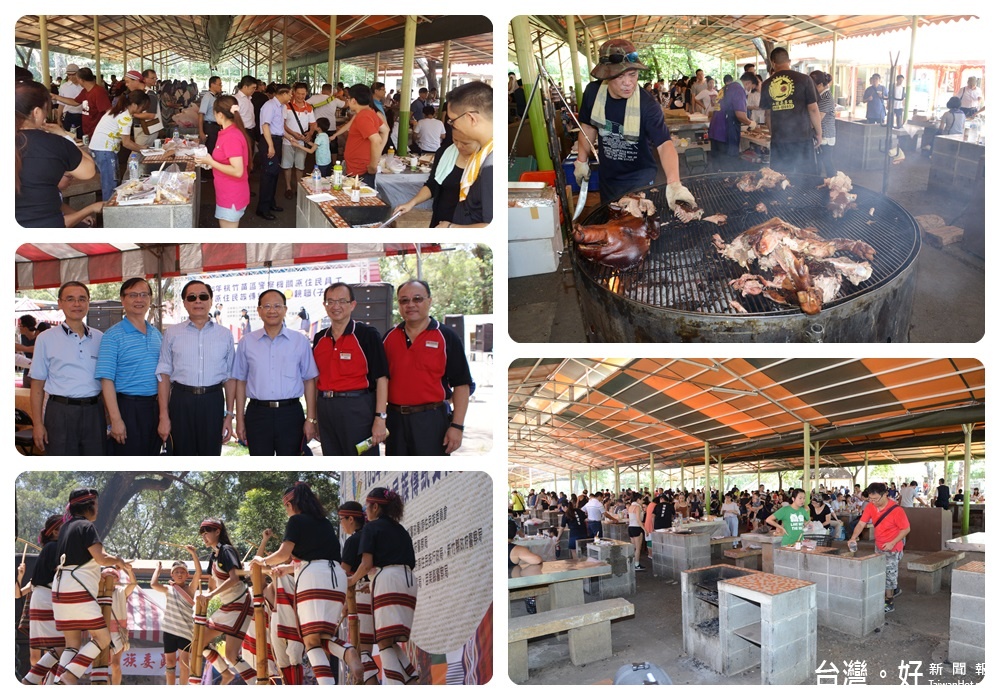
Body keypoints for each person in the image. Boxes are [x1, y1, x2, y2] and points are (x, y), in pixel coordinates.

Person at [253, 483, 364, 685]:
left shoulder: (296, 521)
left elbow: (284, 554)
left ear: (290, 504)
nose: (287, 512)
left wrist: (262, 562)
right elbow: (310, 557)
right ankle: (348, 652)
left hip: (313, 579)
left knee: (310, 641)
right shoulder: (324, 523)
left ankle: (330, 681)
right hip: (335, 578)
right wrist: (286, 569)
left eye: (286, 507)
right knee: (322, 637)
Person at [575, 39, 696, 215]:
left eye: (632, 74)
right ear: (607, 75)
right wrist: (581, 160)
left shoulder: (647, 104)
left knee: (640, 230)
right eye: (619, 76)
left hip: (640, 179)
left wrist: (675, 183)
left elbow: (664, 144)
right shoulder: (593, 93)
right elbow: (588, 128)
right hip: (609, 178)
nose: (628, 83)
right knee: (612, 226)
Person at [382, 280, 474, 456]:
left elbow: (462, 385)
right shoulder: (388, 338)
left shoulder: (446, 336)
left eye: (417, 299)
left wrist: (457, 426)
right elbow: (380, 382)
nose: (411, 305)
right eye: (404, 300)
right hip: (395, 421)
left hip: (432, 420)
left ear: (429, 301)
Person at [51, 488, 131, 685]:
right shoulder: (85, 526)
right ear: (89, 506)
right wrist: (118, 561)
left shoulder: (64, 529)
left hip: (59, 590)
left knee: (71, 645)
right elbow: (101, 558)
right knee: (103, 639)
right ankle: (69, 677)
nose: (98, 508)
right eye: (96, 504)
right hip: (78, 589)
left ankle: (57, 684)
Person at [233, 289, 319, 456]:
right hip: (257, 414)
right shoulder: (247, 342)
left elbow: (309, 380)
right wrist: (240, 420)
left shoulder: (299, 341)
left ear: (285, 310)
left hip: (291, 414)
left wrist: (311, 419)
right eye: (267, 306)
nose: (272, 310)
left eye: (277, 306)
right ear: (259, 311)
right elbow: (240, 381)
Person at [155, 280, 236, 455]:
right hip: (180, 401)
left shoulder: (225, 335)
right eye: (191, 297)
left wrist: (229, 415)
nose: (197, 301)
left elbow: (229, 377)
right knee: (180, 454)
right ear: (184, 303)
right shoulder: (172, 333)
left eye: (203, 296)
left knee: (210, 455)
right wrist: (164, 415)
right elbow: (164, 375)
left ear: (211, 301)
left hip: (213, 401)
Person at [347, 487, 419, 685]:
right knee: (389, 639)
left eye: (367, 507)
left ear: (376, 507)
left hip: (388, 580)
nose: (366, 512)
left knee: (383, 640)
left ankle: (397, 686)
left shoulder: (372, 527)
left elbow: (366, 564)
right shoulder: (400, 529)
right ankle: (411, 680)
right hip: (408, 581)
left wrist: (351, 581)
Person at [309, 282, 389, 456]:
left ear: (352, 305)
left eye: (342, 301)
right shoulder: (319, 338)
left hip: (357, 409)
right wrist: (314, 418)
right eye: (330, 301)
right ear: (325, 305)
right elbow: (315, 380)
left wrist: (380, 418)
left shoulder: (367, 334)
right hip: (326, 408)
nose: (336, 306)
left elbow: (381, 378)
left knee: (362, 459)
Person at [28, 282, 104, 455]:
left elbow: (106, 380)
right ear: (60, 303)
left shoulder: (100, 337)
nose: (77, 304)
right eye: (70, 299)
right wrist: (38, 424)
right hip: (60, 413)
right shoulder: (45, 338)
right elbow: (37, 385)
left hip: (94, 411)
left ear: (88, 303)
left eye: (82, 299)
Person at [15, 81, 101, 228]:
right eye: (45, 111)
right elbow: (88, 171)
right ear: (36, 112)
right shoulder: (54, 143)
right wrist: (64, 135)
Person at [96, 277, 164, 456]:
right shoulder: (112, 336)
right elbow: (106, 380)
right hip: (128, 408)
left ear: (150, 298)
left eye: (144, 294)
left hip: (155, 408)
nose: (139, 299)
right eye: (133, 295)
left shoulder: (156, 334)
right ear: (122, 299)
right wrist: (115, 419)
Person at [196, 518, 253, 684]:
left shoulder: (226, 550)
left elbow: (234, 578)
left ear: (217, 532)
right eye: (202, 533)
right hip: (227, 605)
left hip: (240, 602)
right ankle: (226, 674)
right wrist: (206, 596)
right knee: (199, 642)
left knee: (231, 655)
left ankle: (258, 684)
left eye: (207, 532)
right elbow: (212, 583)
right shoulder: (214, 555)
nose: (204, 536)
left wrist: (210, 594)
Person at [393, 132, 480, 227]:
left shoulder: (487, 162)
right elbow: (432, 185)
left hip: (468, 226)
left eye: (465, 143)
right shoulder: (445, 153)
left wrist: (451, 227)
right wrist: (411, 203)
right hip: (440, 221)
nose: (458, 146)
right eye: (455, 140)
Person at [848, 482, 910, 612]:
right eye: (870, 499)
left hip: (893, 546)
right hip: (880, 544)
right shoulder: (871, 506)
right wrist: (853, 537)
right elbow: (861, 524)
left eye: (875, 499)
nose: (873, 502)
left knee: (889, 574)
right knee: (883, 571)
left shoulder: (896, 510)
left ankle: (889, 602)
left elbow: (906, 529)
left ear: (885, 494)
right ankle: (894, 589)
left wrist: (893, 542)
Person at [760, 47, 822, 175]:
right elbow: (813, 109)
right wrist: (819, 133)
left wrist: (774, 135)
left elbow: (768, 115)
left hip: (780, 141)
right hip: (802, 138)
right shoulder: (804, 79)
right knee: (806, 177)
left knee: (779, 178)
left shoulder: (767, 84)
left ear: (773, 63)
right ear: (789, 61)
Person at [193, 95, 252, 227]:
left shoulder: (231, 136)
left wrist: (211, 162)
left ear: (219, 114)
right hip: (226, 192)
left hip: (231, 195)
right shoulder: (228, 132)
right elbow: (225, 161)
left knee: (229, 242)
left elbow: (237, 171)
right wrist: (208, 162)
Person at [442, 81, 494, 227]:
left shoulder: (491, 165)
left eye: (452, 121)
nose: (452, 125)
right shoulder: (482, 152)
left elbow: (490, 227)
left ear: (471, 118)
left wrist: (451, 228)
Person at [338, 501, 380, 683]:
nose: (341, 523)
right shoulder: (373, 536)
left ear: (351, 519)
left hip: (360, 595)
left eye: (341, 519)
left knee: (363, 653)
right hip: (378, 592)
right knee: (382, 648)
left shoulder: (354, 540)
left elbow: (343, 576)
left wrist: (345, 602)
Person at [21, 515, 64, 684]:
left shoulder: (51, 547)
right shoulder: (54, 547)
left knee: (58, 650)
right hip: (47, 599)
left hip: (43, 598)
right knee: (64, 646)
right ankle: (30, 680)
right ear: (54, 532)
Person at [89, 89, 150, 201]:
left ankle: (107, 208)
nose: (143, 110)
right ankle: (109, 212)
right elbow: (126, 143)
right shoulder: (125, 117)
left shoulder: (116, 110)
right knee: (110, 185)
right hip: (105, 151)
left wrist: (140, 147)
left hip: (97, 149)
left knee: (107, 181)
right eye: (142, 107)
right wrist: (143, 150)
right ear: (135, 105)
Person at [150, 553, 201, 685]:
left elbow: (199, 573)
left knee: (184, 663)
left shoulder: (190, 590)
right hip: (169, 629)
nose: (179, 574)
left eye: (182, 572)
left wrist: (193, 554)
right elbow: (153, 584)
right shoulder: (169, 589)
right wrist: (158, 570)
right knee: (170, 663)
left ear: (187, 575)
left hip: (185, 631)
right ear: (172, 575)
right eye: (176, 572)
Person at [338, 83, 387, 188]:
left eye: (348, 98)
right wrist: (378, 154)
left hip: (360, 171)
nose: (347, 101)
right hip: (359, 168)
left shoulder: (363, 117)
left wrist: (373, 166)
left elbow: (376, 140)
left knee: (360, 202)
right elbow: (385, 130)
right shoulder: (370, 112)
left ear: (354, 100)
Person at [256, 85, 293, 221]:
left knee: (274, 174)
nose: (291, 97)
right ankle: (262, 209)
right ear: (282, 94)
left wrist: (290, 138)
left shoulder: (282, 107)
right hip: (268, 141)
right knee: (267, 175)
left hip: (277, 141)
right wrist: (270, 146)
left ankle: (271, 203)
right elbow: (265, 125)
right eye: (290, 94)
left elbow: (279, 127)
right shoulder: (269, 105)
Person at [709, 72, 756, 163]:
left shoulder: (726, 88)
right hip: (726, 133)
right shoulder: (738, 89)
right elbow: (740, 115)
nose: (749, 90)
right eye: (751, 88)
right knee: (729, 166)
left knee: (717, 165)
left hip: (715, 130)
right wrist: (750, 123)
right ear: (748, 83)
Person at [282, 82, 318, 199]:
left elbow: (313, 124)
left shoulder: (309, 107)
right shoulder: (286, 106)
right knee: (287, 165)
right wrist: (293, 134)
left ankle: (298, 186)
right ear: (293, 92)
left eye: (303, 94)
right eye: (298, 93)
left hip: (302, 142)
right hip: (288, 140)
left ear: (306, 93)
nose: (300, 96)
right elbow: (282, 124)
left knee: (300, 166)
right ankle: (288, 187)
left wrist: (310, 133)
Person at [810, 71, 837, 177]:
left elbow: (818, 118)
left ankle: (835, 185)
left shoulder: (826, 97)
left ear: (820, 85)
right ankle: (819, 184)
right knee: (819, 163)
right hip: (820, 135)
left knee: (827, 162)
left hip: (826, 135)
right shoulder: (820, 96)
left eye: (812, 86)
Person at [76, 67, 113, 140]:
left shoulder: (99, 92)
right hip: (88, 130)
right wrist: (56, 97)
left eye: (78, 79)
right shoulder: (85, 91)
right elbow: (75, 102)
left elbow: (108, 111)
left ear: (81, 80)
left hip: (98, 131)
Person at [54, 63, 84, 135]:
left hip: (83, 116)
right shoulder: (64, 87)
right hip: (69, 116)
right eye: (68, 75)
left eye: (73, 74)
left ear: (78, 73)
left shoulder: (84, 86)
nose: (71, 77)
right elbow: (61, 104)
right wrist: (59, 119)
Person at [197, 75, 223, 156]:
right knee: (210, 150)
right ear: (212, 85)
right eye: (219, 84)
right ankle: (208, 168)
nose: (221, 86)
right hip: (209, 126)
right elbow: (201, 114)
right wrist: (201, 132)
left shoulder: (214, 97)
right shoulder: (207, 97)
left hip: (215, 127)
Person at [626, 494, 645, 570]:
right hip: (637, 527)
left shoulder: (630, 507)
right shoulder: (638, 507)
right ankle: (636, 564)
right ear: (638, 500)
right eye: (642, 499)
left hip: (630, 527)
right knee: (638, 548)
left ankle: (632, 563)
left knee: (633, 547)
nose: (643, 501)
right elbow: (638, 519)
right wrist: (644, 529)